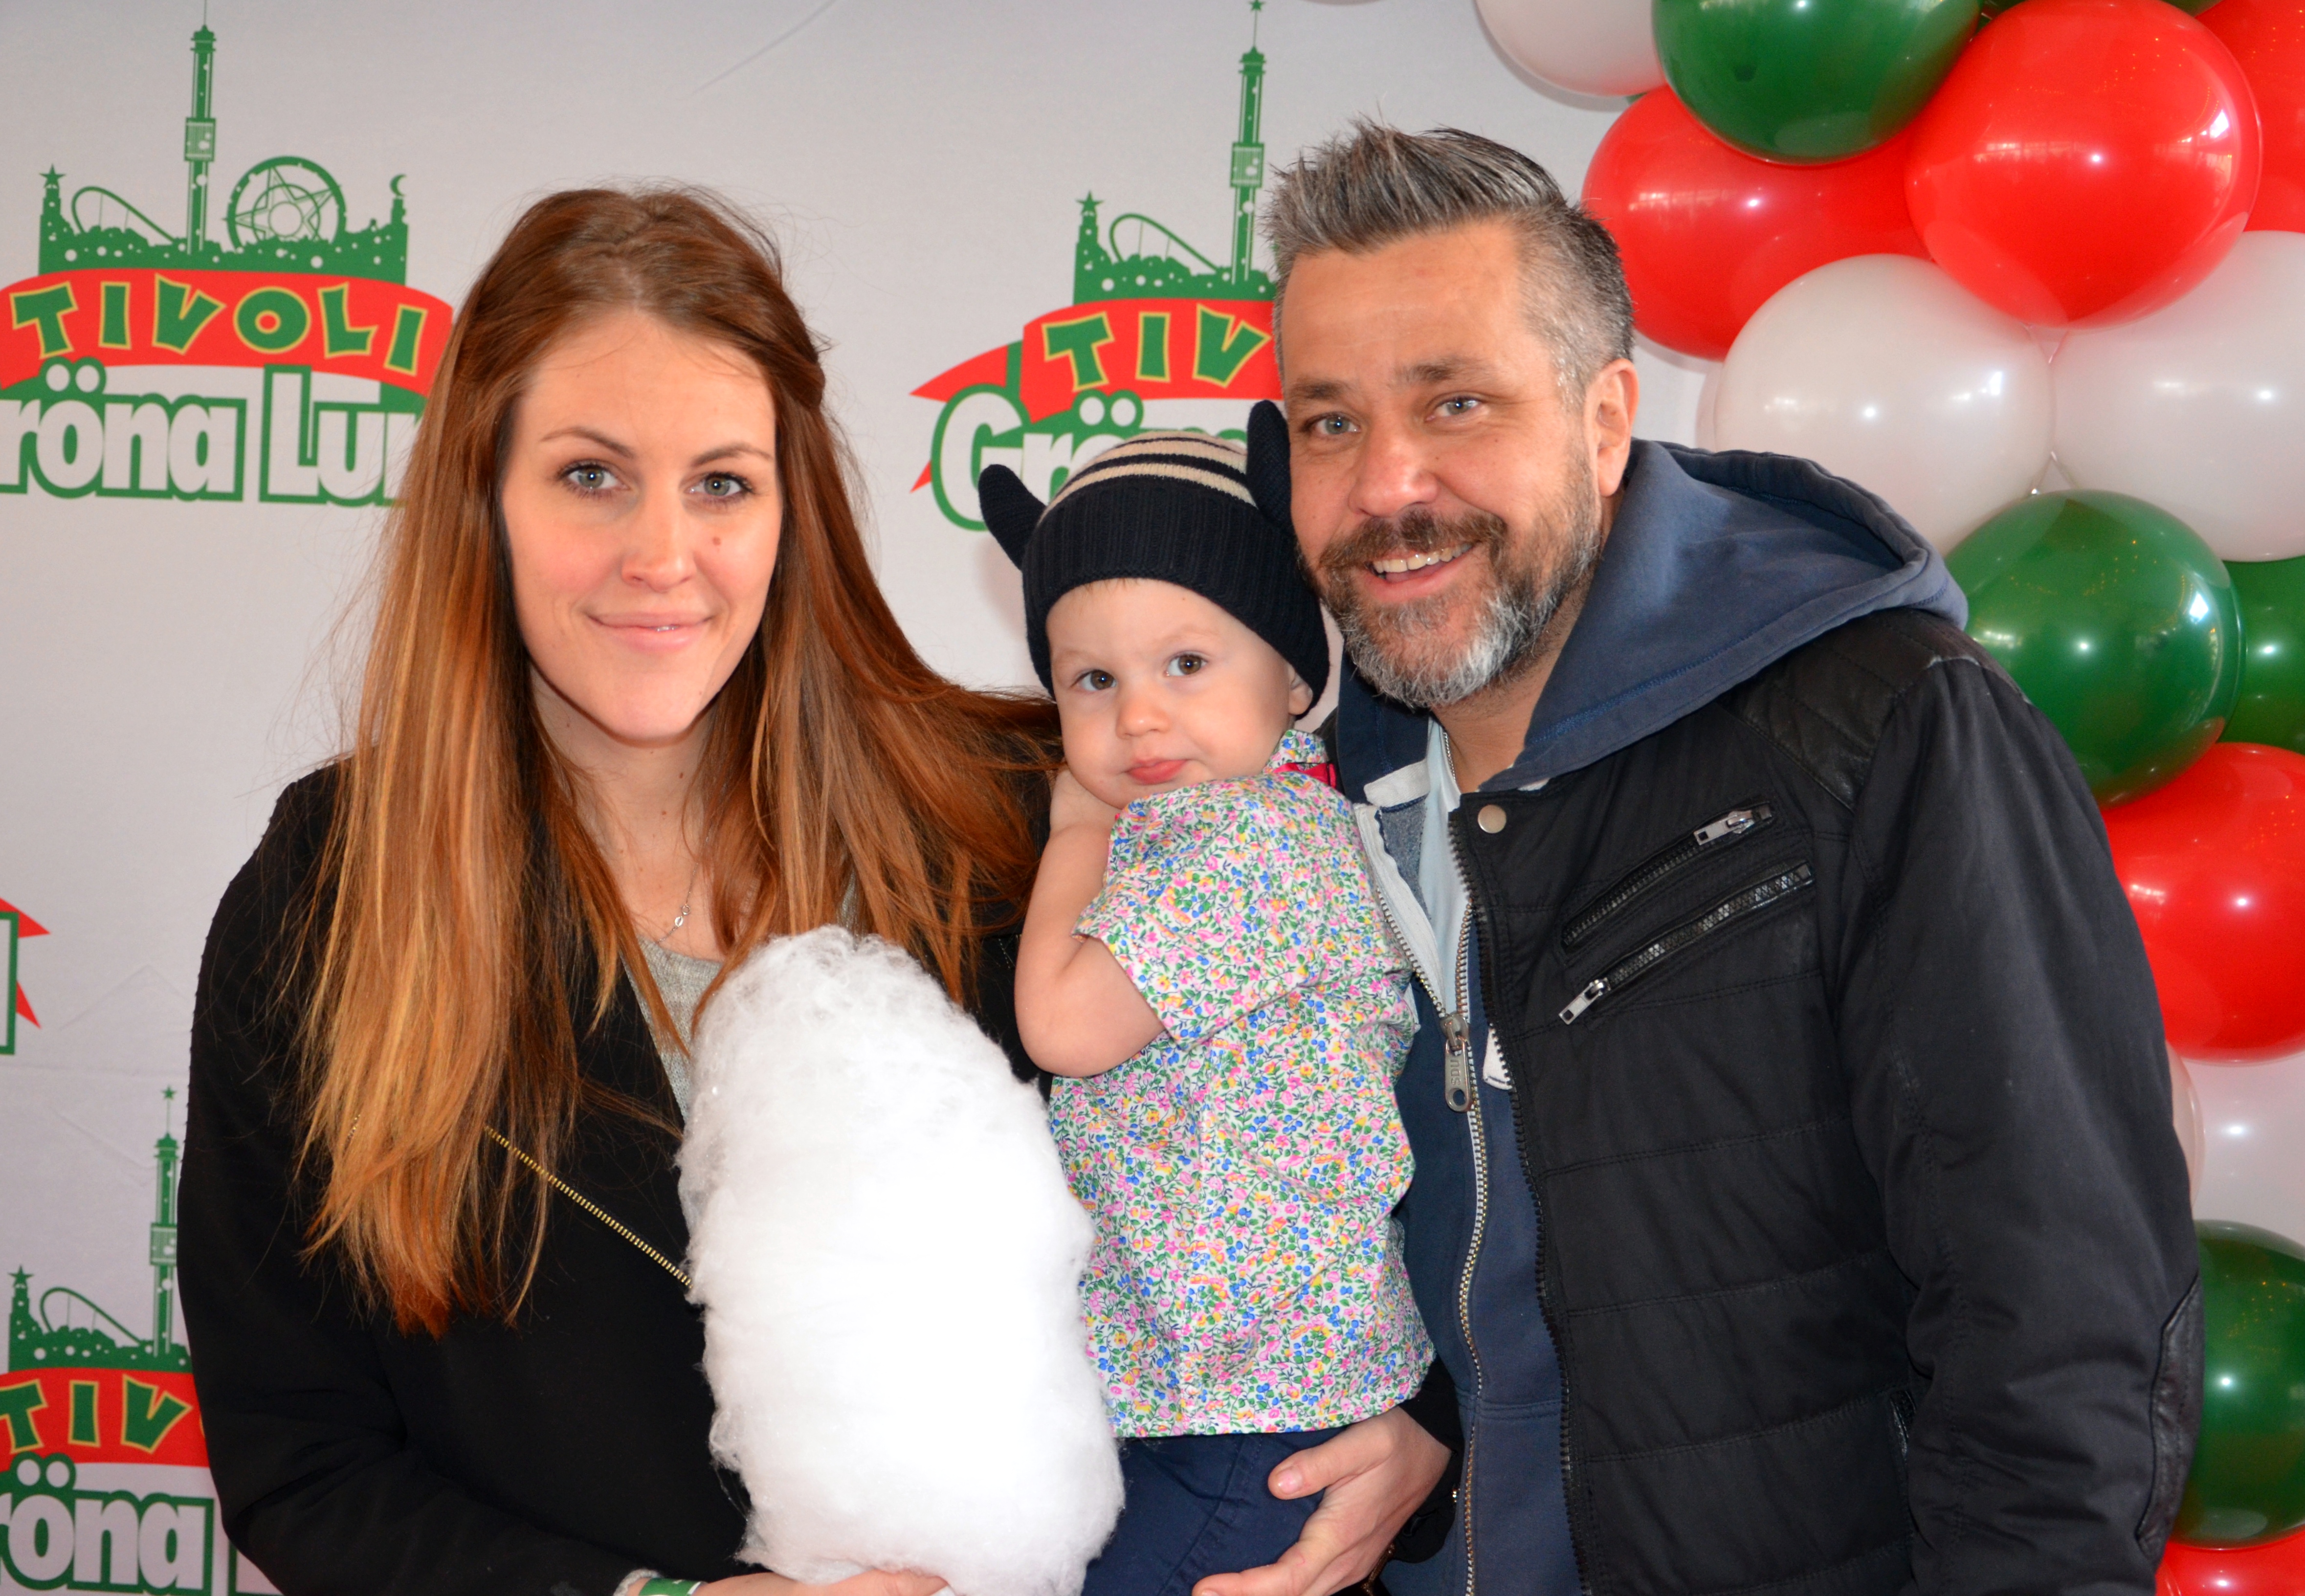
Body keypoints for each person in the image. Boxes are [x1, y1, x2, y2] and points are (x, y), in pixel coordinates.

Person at [1233, 123, 2203, 1596]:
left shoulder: (1878, 720)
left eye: (1457, 403)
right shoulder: (1306, 793)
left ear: (1605, 419)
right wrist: (1429, 1412)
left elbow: (2061, 1320)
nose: (1387, 484)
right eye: (1328, 424)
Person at [179, 187, 1059, 1596]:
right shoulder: (329, 897)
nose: (662, 557)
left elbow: (1274, 1173)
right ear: (484, 498)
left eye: (723, 484)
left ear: (792, 513)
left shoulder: (1017, 826)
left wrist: (1401, 1416)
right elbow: (304, 1463)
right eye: (591, 476)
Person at [977, 435, 1430, 1595]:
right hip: (1200, 1385)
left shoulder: (1251, 845)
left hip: (1248, 1400)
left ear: (1294, 679)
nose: (1139, 718)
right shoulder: (1220, 830)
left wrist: (1075, 831)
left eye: (1185, 663)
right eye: (1093, 681)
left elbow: (1063, 1027)